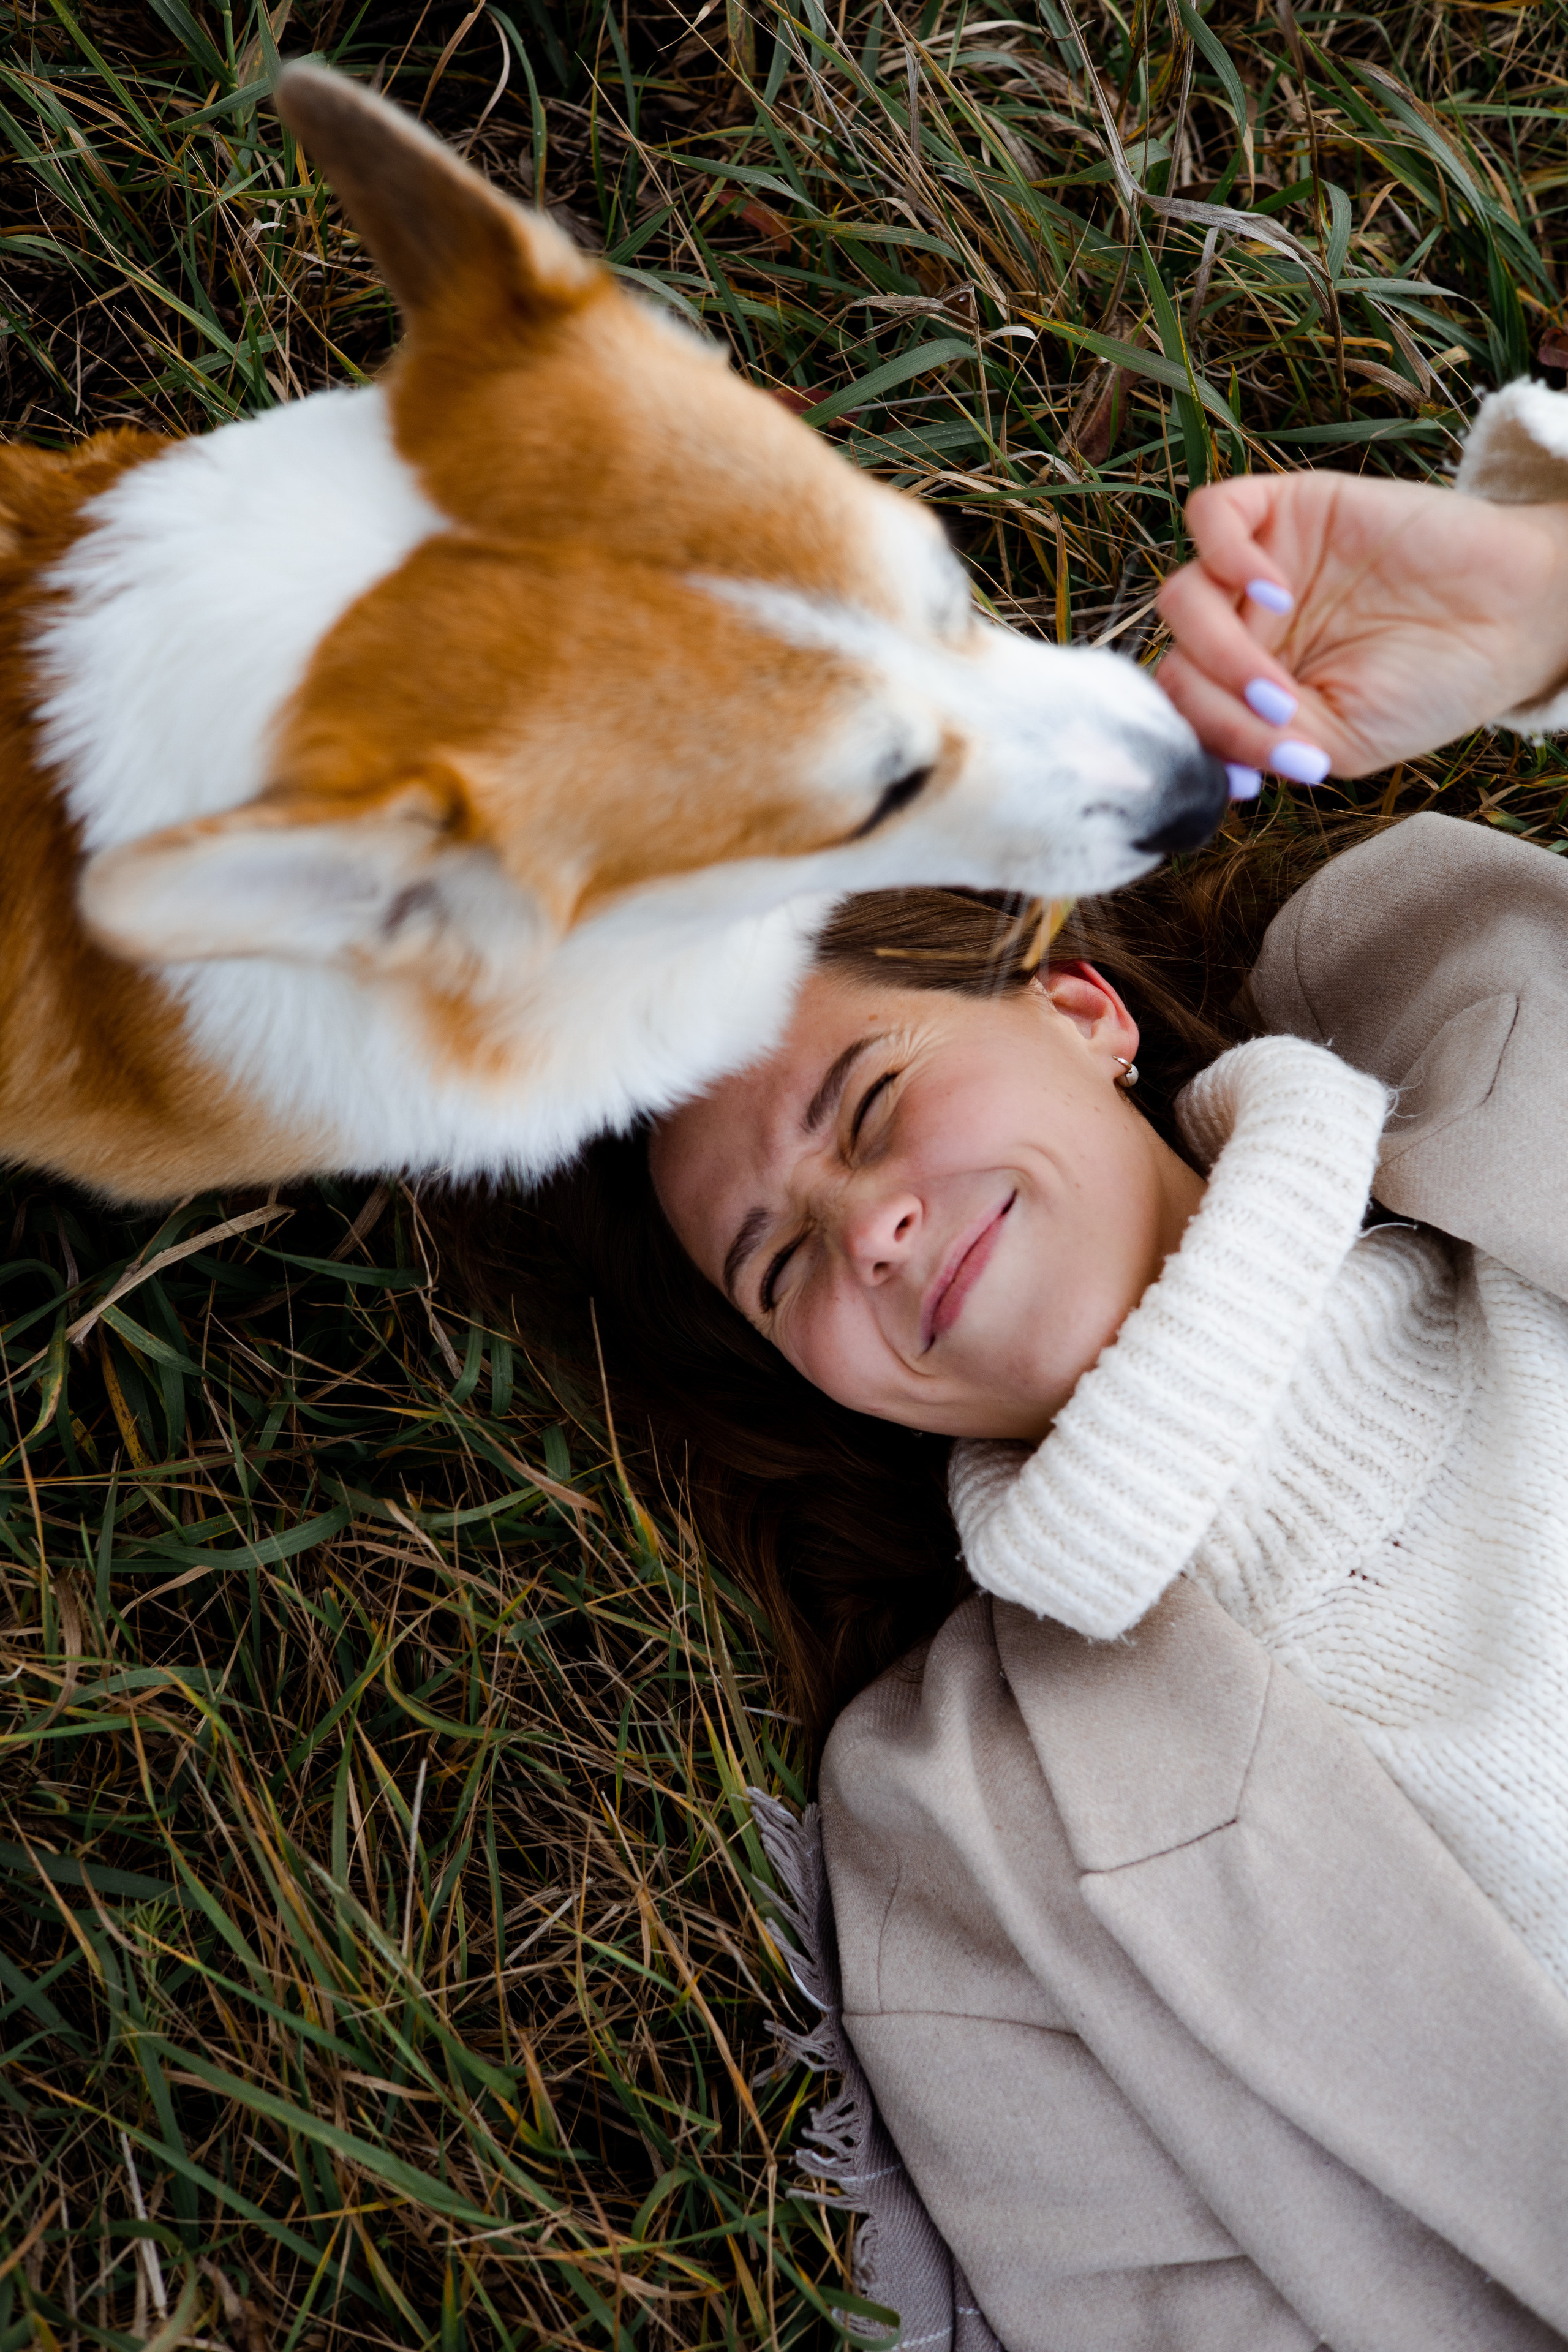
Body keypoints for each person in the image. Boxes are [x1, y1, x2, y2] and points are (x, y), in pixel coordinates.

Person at [477, 377, 1568, 2350]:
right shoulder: (966, 1845)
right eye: (774, 1256)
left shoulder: (1503, 1014)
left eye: (869, 1097)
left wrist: (1547, 602)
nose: (869, 1225)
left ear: (1079, 1007)